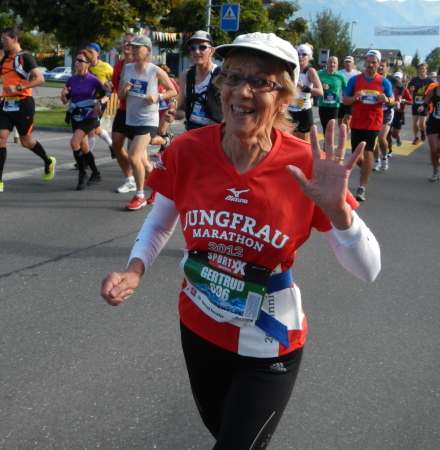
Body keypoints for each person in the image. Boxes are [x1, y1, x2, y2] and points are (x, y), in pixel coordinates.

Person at [100, 32, 380, 450]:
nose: (242, 91)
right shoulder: (188, 150)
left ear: (284, 97)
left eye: (260, 81)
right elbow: (160, 221)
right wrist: (135, 270)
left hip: (269, 340)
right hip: (199, 327)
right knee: (225, 433)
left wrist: (340, 212)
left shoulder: (307, 165)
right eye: (232, 76)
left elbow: (368, 270)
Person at [0, 26, 56, 193]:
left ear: (15, 39)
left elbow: (40, 79)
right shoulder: (4, 57)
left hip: (23, 103)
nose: (2, 42)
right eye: (1, 39)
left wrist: (19, 87)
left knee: (26, 142)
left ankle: (48, 161)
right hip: (6, 103)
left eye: (5, 39)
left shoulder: (24, 57)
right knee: (0, 138)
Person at [118, 35, 177, 211]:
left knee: (133, 156)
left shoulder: (155, 71)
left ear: (148, 50)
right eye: (133, 47)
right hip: (131, 119)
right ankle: (160, 187)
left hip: (148, 119)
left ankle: (139, 196)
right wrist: (124, 89)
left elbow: (173, 90)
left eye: (138, 47)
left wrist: (158, 97)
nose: (134, 50)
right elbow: (120, 96)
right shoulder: (127, 68)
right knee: (143, 162)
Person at [342, 49, 394, 201]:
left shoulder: (384, 82)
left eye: (374, 62)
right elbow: (345, 100)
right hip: (357, 121)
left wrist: (386, 99)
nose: (371, 65)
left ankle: (361, 188)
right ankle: (366, 169)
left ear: (378, 64)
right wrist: (355, 97)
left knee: (368, 153)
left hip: (374, 122)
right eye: (369, 62)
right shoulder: (355, 80)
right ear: (365, 62)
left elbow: (392, 100)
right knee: (356, 156)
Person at [61, 50, 108, 190]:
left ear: (88, 64)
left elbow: (106, 95)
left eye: (80, 60)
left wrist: (100, 102)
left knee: (74, 142)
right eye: (76, 60)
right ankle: (96, 173)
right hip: (75, 115)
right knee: (84, 147)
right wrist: (63, 95)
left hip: (90, 116)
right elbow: (65, 101)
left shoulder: (94, 80)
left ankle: (82, 174)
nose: (77, 62)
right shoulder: (71, 79)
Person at [167, 30, 222, 132]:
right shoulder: (186, 75)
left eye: (202, 47)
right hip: (192, 130)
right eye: (193, 48)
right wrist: (173, 113)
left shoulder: (221, 75)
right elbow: (182, 110)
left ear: (211, 51)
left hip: (215, 131)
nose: (197, 51)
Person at [107, 33, 138, 194]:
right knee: (116, 145)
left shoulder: (141, 65)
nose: (126, 44)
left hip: (138, 111)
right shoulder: (118, 65)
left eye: (130, 43)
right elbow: (115, 88)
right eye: (124, 42)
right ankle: (130, 179)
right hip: (123, 109)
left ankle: (153, 177)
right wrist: (108, 88)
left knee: (135, 152)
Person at [287, 43, 323, 142]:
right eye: (298, 54)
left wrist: (304, 87)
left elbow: (320, 92)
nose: (300, 57)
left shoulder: (310, 71)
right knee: (289, 141)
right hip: (290, 108)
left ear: (309, 57)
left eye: (303, 54)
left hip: (303, 109)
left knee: (303, 142)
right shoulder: (291, 69)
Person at [85, 43, 114, 155]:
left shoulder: (105, 67)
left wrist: (109, 85)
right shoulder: (83, 65)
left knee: (90, 129)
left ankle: (87, 158)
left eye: (91, 52)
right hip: (85, 101)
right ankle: (112, 145)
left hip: (99, 101)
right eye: (86, 52)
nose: (88, 54)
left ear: (98, 54)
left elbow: (115, 80)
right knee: (96, 129)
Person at [373, 58, 399, 172]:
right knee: (373, 139)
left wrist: (397, 100)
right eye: (379, 65)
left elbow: (402, 88)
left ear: (387, 68)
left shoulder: (391, 80)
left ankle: (384, 157)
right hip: (374, 112)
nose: (380, 67)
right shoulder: (372, 79)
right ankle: (377, 160)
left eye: (383, 66)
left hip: (387, 112)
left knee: (381, 137)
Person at [316, 56, 346, 134]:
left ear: (337, 65)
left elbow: (345, 87)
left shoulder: (340, 76)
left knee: (330, 127)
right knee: (324, 127)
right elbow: (313, 86)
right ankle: (326, 141)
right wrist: (321, 87)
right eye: (330, 62)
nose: (332, 64)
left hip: (334, 105)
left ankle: (329, 141)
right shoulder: (319, 74)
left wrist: (345, 97)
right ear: (327, 64)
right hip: (322, 104)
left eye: (334, 63)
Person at [408, 63, 433, 144]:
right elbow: (408, 89)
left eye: (423, 69)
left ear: (426, 70)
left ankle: (422, 130)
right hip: (415, 102)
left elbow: (434, 90)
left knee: (422, 123)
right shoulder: (414, 80)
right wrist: (410, 89)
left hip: (425, 103)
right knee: (415, 121)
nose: (422, 70)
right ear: (418, 70)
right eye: (420, 69)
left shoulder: (429, 80)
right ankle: (416, 138)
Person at [388, 72, 413, 153]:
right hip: (389, 112)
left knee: (394, 134)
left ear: (402, 79)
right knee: (387, 134)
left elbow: (411, 102)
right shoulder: (389, 88)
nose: (396, 79)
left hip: (399, 112)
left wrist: (403, 100)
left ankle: (398, 137)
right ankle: (390, 151)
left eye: (398, 78)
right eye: (395, 77)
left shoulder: (404, 90)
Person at [337, 56, 361, 134]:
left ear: (353, 63)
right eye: (346, 62)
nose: (348, 63)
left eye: (350, 62)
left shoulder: (358, 74)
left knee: (347, 119)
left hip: (351, 99)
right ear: (344, 63)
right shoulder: (339, 73)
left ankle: (345, 136)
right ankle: (343, 134)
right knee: (340, 121)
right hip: (340, 99)